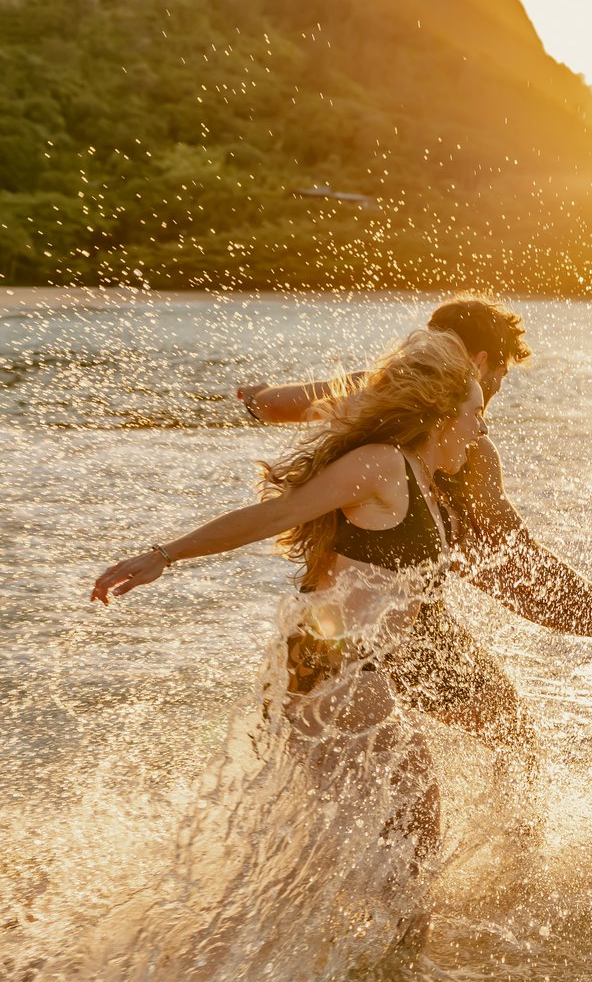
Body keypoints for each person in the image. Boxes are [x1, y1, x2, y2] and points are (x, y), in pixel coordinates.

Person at [92, 328, 488, 865]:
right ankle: (395, 942)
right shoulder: (383, 465)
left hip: (335, 666)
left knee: (339, 838)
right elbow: (274, 515)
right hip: (332, 664)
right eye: (474, 413)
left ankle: (314, 937)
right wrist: (164, 556)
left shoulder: (420, 476)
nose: (480, 427)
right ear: (442, 415)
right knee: (413, 823)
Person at [236, 297, 592, 758]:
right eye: (501, 375)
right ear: (482, 361)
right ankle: (510, 834)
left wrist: (255, 395)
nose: (497, 392)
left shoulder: (371, 396)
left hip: (321, 623)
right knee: (514, 733)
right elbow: (511, 565)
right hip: (402, 629)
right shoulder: (469, 455)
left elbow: (269, 406)